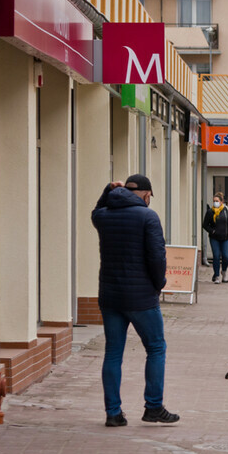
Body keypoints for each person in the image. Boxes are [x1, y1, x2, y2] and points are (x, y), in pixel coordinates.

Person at [91, 174, 179, 427]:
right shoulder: (147, 216)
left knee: (113, 352)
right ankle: (153, 407)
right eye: (149, 196)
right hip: (141, 298)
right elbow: (157, 256)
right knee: (156, 348)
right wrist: (159, 283)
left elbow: (96, 210)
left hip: (110, 296)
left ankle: (113, 413)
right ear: (146, 194)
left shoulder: (104, 216)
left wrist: (107, 189)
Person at [202, 192, 228, 284]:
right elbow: (205, 224)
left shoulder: (227, 210)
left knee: (226, 256)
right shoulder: (210, 212)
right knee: (216, 256)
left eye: (217, 201)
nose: (215, 203)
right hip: (214, 238)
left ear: (221, 201)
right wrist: (212, 231)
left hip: (226, 237)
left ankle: (224, 272)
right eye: (214, 201)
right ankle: (216, 275)